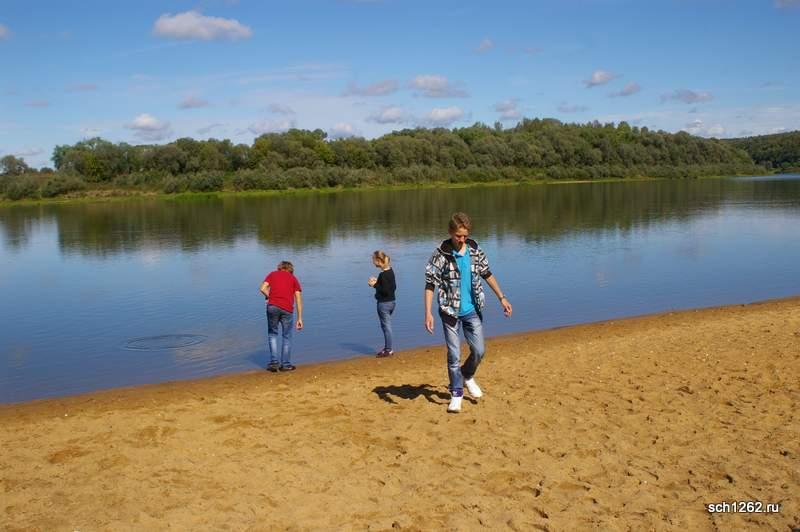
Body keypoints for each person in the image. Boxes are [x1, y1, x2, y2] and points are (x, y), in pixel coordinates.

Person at [424, 212, 512, 413]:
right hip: (449, 311)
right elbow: (430, 284)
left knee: (479, 351)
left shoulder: (474, 249)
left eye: (465, 235)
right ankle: (456, 393)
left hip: (472, 309)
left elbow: (487, 273)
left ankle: (467, 374)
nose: (462, 239)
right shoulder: (440, 254)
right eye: (458, 236)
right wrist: (428, 313)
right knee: (453, 354)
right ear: (450, 232)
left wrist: (502, 297)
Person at [260, 261, 304, 372]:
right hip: (287, 309)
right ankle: (285, 365)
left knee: (272, 334)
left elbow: (262, 288)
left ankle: (274, 363)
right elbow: (298, 298)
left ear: (279, 268)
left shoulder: (272, 274)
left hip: (272, 307)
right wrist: (299, 318)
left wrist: (270, 297)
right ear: (291, 270)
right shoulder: (293, 278)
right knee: (286, 336)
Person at [368, 250, 396, 358]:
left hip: (384, 304)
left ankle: (388, 350)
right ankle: (387, 348)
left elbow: (385, 291)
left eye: (373, 260)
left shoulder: (382, 275)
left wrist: (374, 285)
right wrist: (378, 282)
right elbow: (392, 287)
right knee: (386, 326)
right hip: (392, 302)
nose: (373, 262)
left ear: (379, 261)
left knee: (386, 327)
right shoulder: (390, 271)